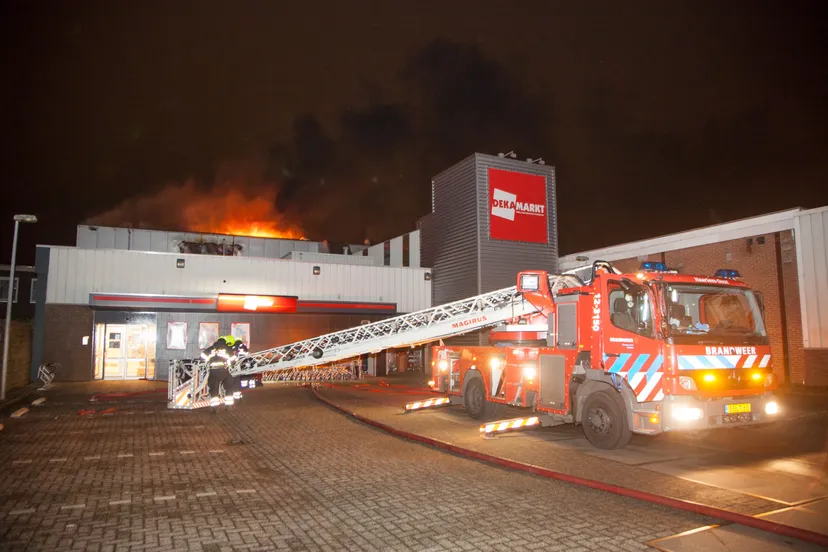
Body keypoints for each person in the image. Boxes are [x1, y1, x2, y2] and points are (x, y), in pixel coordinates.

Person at [201, 335, 247, 407]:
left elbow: (202, 356)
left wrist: (207, 360)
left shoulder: (211, 348)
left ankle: (214, 406)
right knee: (229, 385)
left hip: (213, 371)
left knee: (214, 387)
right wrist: (230, 364)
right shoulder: (227, 349)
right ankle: (228, 405)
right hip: (223, 370)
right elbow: (233, 359)